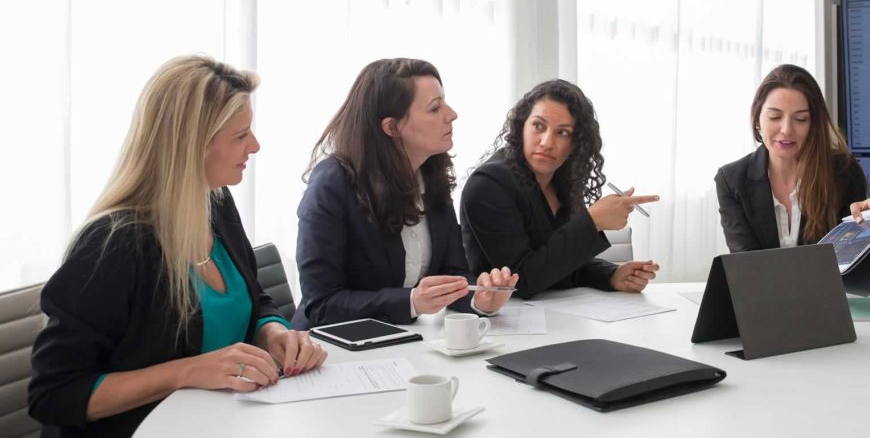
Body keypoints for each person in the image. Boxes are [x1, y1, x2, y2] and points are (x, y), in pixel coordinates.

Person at [28, 56, 326, 437]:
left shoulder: (215, 202)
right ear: (192, 145)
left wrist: (274, 334)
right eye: (240, 136)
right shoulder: (112, 245)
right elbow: (53, 393)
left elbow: (255, 300)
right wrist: (188, 372)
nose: (255, 146)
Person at [291, 58, 517, 329]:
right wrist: (411, 302)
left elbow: (453, 273)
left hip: (401, 342)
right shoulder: (331, 184)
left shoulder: (430, 175)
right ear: (391, 127)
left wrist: (479, 299)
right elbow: (322, 304)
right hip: (326, 346)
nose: (452, 114)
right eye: (435, 108)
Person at [460, 79, 660, 300]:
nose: (547, 142)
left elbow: (559, 261)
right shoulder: (488, 184)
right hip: (499, 315)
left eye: (563, 132)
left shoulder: (561, 179)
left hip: (552, 311)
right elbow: (522, 280)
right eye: (538, 126)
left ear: (576, 144)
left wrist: (612, 275)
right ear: (521, 127)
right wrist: (592, 221)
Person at [715, 64, 870, 252]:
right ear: (757, 118)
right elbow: (745, 262)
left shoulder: (844, 172)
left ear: (814, 124)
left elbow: (851, 258)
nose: (786, 130)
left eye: (801, 119)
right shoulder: (731, 181)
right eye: (775, 117)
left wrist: (869, 227)